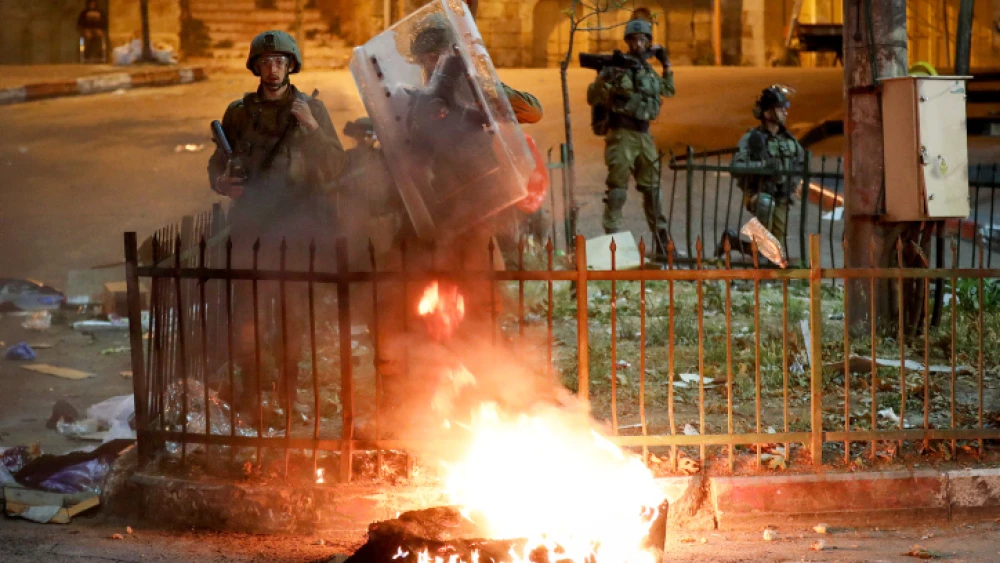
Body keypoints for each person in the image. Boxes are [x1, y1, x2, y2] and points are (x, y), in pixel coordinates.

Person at [207, 30, 348, 422]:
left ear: (291, 66)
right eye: (266, 62)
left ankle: (287, 398)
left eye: (280, 62)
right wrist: (222, 183)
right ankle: (251, 399)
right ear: (256, 67)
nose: (273, 69)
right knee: (248, 315)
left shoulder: (310, 110)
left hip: (299, 228)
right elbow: (218, 163)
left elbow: (336, 165)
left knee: (292, 319)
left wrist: (312, 128)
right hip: (252, 226)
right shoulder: (238, 112)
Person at [586, 13, 674, 262]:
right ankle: (610, 244)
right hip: (622, 134)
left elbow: (668, 90)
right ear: (627, 41)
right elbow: (593, 97)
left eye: (643, 39)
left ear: (648, 42)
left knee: (653, 190)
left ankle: (662, 243)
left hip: (644, 134)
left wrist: (666, 64)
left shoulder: (646, 69)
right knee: (617, 190)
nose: (638, 44)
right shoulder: (616, 67)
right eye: (633, 39)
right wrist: (605, 78)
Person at [720, 85, 806, 259]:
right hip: (759, 194)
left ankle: (732, 241)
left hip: (781, 196)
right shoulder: (753, 138)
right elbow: (736, 167)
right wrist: (763, 166)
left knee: (775, 251)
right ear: (767, 113)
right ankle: (760, 264)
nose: (785, 113)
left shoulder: (788, 140)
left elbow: (801, 163)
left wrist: (793, 185)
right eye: (780, 109)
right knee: (766, 205)